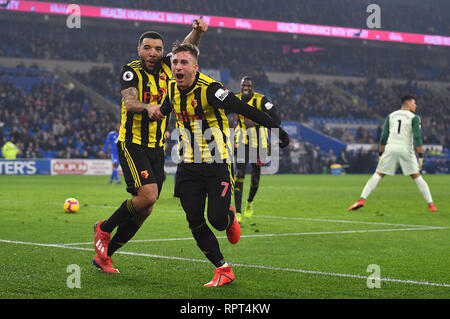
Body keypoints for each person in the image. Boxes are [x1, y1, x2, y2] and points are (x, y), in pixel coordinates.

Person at [150, 43, 289, 287]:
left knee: (216, 219)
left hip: (216, 163)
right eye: (175, 63)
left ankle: (229, 219)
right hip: (188, 165)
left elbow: (244, 109)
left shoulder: (211, 90)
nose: (178, 67)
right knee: (194, 219)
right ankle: (223, 268)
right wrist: (155, 112)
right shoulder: (171, 88)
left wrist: (277, 130)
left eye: (184, 63)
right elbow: (165, 108)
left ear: (195, 68)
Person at [92, 20, 208, 273]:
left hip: (156, 147)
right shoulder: (130, 71)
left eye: (157, 49)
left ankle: (105, 255)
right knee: (148, 195)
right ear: (139, 50)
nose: (152, 53)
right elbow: (131, 102)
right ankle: (103, 228)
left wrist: (198, 31)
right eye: (147, 48)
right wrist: (149, 108)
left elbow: (187, 46)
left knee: (145, 209)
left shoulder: (169, 65)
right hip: (132, 143)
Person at [348, 95, 437, 212]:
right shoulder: (414, 117)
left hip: (390, 148)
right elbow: (417, 137)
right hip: (405, 149)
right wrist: (420, 156)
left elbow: (383, 137)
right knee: (416, 176)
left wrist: (380, 154)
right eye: (414, 103)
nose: (416, 105)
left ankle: (361, 199)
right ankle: (431, 205)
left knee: (378, 174)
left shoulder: (391, 116)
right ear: (409, 104)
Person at [233, 76, 281, 222]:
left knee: (255, 177)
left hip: (259, 143)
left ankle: (249, 202)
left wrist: (255, 123)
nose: (245, 88)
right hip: (241, 141)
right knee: (240, 173)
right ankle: (238, 212)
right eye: (243, 86)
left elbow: (276, 119)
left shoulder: (262, 100)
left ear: (253, 87)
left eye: (248, 86)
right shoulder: (235, 99)